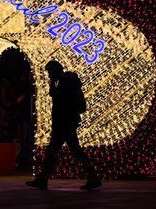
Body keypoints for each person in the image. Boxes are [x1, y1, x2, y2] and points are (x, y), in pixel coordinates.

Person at [26, 60, 100, 191]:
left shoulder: (63, 83)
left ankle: (43, 180)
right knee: (66, 151)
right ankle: (93, 177)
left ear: (55, 70)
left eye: (49, 72)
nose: (48, 75)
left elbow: (60, 100)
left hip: (64, 123)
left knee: (59, 151)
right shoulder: (63, 81)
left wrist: (53, 87)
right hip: (66, 122)